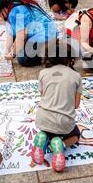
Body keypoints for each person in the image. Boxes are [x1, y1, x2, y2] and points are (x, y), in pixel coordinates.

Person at [31, 41, 81, 172]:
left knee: (48, 129)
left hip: (42, 119)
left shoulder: (43, 73)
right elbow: (76, 105)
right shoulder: (76, 76)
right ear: (71, 58)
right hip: (64, 123)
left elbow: (43, 95)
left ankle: (42, 137)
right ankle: (60, 145)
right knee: (76, 134)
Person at [0, 0, 58, 67]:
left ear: (3, 10)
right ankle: (47, 48)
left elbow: (21, 37)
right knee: (19, 49)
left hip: (46, 34)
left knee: (23, 59)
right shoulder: (12, 9)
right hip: (42, 33)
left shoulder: (16, 12)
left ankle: (51, 54)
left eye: (0, 15)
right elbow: (10, 34)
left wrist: (13, 54)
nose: (1, 18)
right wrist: (6, 52)